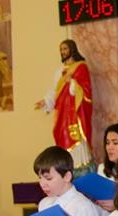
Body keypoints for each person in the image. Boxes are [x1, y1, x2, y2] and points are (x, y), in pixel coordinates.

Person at [36, 39, 94, 175]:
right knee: (62, 136)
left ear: (72, 49)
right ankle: (67, 168)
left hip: (75, 113)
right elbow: (55, 90)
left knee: (77, 139)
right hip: (62, 113)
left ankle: (80, 167)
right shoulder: (59, 71)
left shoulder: (81, 67)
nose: (63, 52)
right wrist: (46, 101)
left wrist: (72, 82)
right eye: (61, 49)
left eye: (65, 49)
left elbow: (85, 90)